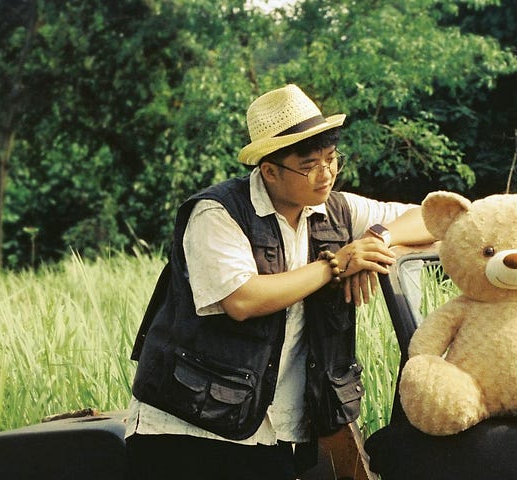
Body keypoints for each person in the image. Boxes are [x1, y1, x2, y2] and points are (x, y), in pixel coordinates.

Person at [125, 84, 434, 479]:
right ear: (269, 171)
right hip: (187, 429)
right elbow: (243, 299)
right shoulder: (217, 212)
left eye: (331, 158)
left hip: (272, 430)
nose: (326, 174)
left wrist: (377, 239)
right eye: (309, 165)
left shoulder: (335, 210)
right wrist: (337, 264)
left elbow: (435, 216)